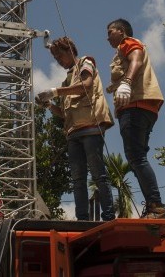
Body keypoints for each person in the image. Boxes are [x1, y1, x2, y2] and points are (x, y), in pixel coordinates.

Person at [36, 36, 115, 221]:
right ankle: (82, 218)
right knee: (78, 178)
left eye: (60, 56)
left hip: (91, 127)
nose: (59, 61)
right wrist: (48, 105)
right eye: (55, 59)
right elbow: (64, 113)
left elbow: (86, 86)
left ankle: (109, 216)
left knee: (98, 174)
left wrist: (54, 92)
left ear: (70, 51)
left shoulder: (86, 63)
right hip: (73, 132)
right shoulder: (67, 82)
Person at [105, 18, 165, 219]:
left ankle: (156, 205)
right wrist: (116, 85)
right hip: (144, 107)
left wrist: (127, 82)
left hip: (136, 106)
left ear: (121, 32)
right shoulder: (120, 52)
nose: (108, 37)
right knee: (137, 157)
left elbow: (136, 59)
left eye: (110, 32)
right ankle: (153, 205)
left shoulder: (128, 43)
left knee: (136, 157)